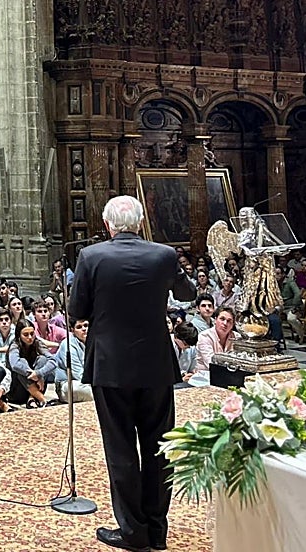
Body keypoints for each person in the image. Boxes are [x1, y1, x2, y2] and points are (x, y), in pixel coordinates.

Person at [68, 195, 197, 552]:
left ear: (107, 225)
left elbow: (77, 310)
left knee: (121, 447)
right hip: (155, 363)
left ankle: (132, 531)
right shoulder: (164, 255)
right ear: (141, 223)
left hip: (110, 365)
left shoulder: (91, 256)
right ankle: (157, 530)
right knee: (160, 446)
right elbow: (188, 292)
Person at [191, 307, 238, 387]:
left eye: (229, 321)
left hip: (230, 377)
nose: (225, 323)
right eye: (222, 319)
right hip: (205, 378)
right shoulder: (204, 336)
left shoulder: (237, 337)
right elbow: (210, 363)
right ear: (215, 320)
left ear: (233, 324)